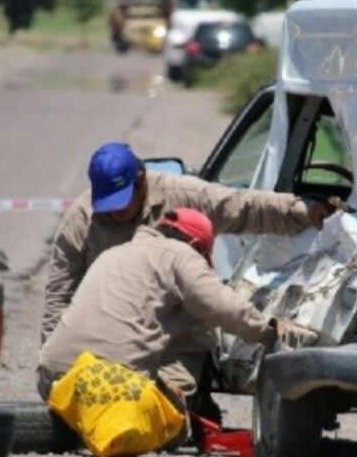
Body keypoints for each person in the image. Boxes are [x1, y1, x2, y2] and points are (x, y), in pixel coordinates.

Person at [41, 142, 329, 343]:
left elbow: (243, 207)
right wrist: (53, 361)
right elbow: (59, 294)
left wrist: (302, 211)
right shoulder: (82, 218)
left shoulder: (183, 195)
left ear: (141, 181)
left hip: (174, 335)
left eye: (121, 202)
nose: (114, 212)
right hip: (108, 329)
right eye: (107, 204)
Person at [37, 208, 303, 404]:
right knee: (199, 327)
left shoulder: (115, 253)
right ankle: (179, 406)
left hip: (54, 379)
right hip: (112, 387)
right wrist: (266, 330)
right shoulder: (182, 255)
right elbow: (220, 305)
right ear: (194, 245)